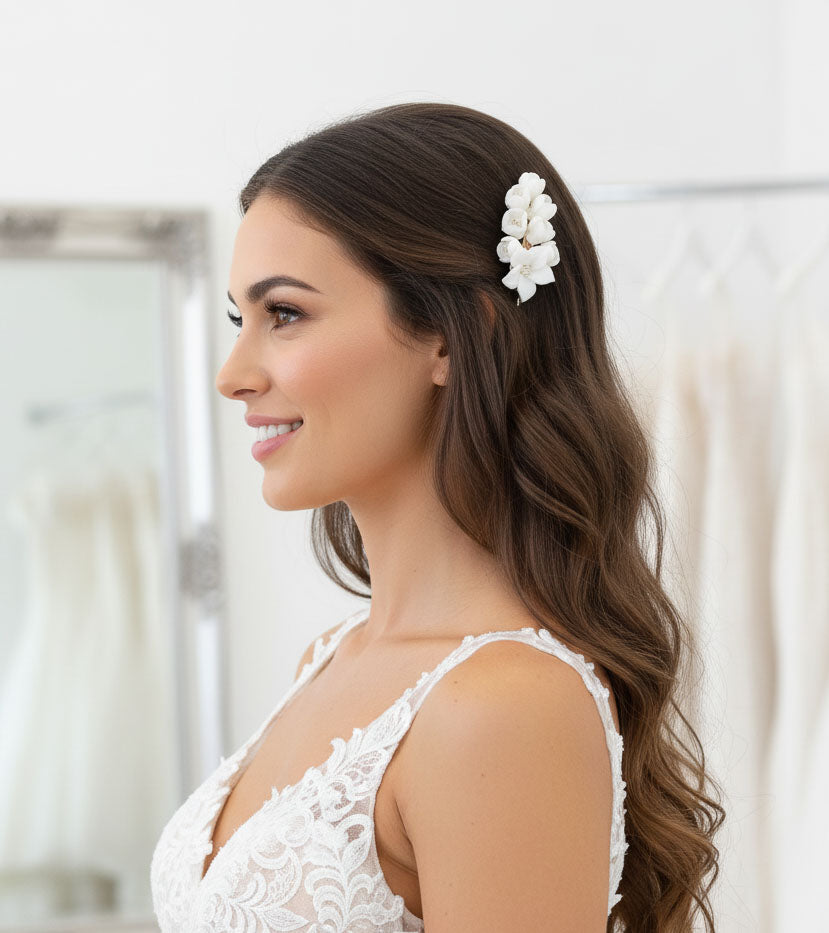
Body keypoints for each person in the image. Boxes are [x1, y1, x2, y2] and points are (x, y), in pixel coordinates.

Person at [150, 101, 724, 932]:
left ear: (454, 337)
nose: (233, 373)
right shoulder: (332, 659)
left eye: (285, 314)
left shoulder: (506, 705)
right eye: (242, 319)